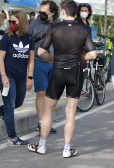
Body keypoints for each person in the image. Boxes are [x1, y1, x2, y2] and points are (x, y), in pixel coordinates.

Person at [27, 0, 97, 158]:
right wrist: (79, 57)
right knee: (70, 111)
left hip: (58, 71)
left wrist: (52, 59)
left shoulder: (55, 28)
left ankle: (42, 145)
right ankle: (67, 149)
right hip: (75, 71)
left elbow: (40, 51)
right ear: (76, 13)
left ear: (63, 12)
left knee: (48, 110)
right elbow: (93, 54)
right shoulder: (83, 29)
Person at [0, 11, 35, 146]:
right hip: (8, 75)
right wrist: (4, 76)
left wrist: (30, 78)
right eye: (10, 22)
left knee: (19, 102)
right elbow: (0, 58)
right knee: (10, 105)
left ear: (21, 23)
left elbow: (31, 60)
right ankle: (12, 137)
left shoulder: (29, 38)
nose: (11, 24)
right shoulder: (7, 37)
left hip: (22, 77)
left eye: (13, 22)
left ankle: (0, 111)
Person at [29, 0, 60, 134]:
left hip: (56, 63)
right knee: (41, 92)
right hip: (39, 62)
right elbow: (29, 42)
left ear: (52, 13)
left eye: (43, 12)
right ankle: (41, 122)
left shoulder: (59, 24)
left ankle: (48, 121)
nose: (40, 14)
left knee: (52, 95)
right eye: (39, 12)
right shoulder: (34, 23)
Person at [75, 3, 93, 69]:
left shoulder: (87, 23)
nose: (84, 12)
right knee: (81, 67)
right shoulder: (77, 21)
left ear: (88, 12)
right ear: (79, 12)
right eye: (82, 10)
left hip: (86, 48)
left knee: (87, 68)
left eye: (86, 11)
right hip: (79, 48)